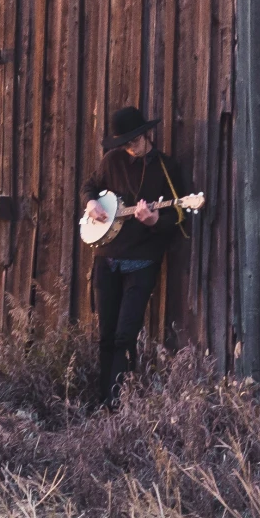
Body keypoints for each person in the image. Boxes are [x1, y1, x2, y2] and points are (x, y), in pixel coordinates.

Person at [81, 105, 196, 408]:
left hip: (142, 261)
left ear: (147, 134)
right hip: (107, 258)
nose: (129, 147)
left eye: (133, 140)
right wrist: (91, 202)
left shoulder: (166, 168)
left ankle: (120, 406)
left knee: (124, 335)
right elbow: (89, 185)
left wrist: (154, 221)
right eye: (124, 142)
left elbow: (180, 217)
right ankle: (102, 403)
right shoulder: (112, 160)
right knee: (106, 334)